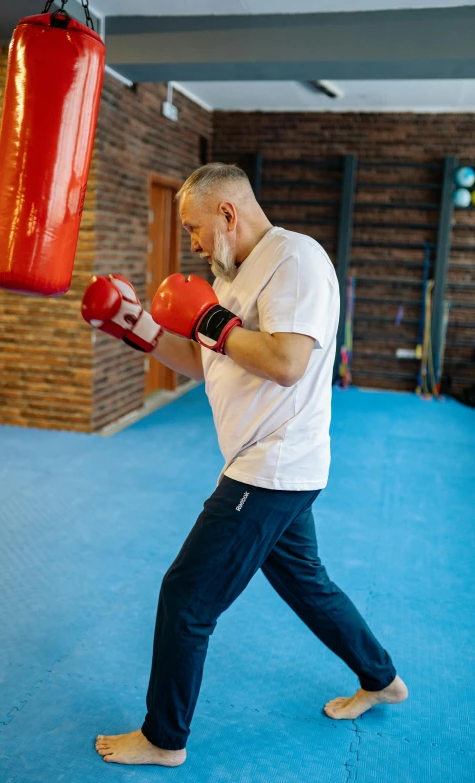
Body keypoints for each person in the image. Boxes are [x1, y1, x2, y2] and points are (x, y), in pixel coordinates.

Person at [81, 162, 408, 768]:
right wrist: (136, 327)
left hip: (271, 466)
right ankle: (382, 677)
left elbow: (287, 361)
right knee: (308, 585)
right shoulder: (229, 278)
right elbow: (211, 359)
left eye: (196, 228)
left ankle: (163, 738)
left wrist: (207, 318)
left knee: (186, 596)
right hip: (271, 464)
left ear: (227, 213)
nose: (194, 244)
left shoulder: (296, 261)